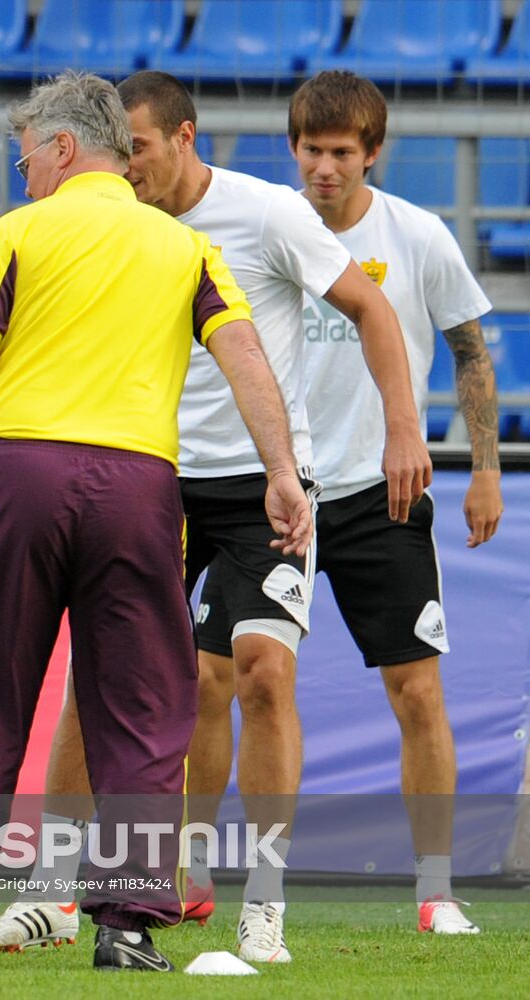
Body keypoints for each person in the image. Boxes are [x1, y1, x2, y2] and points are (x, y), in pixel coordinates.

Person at [0, 70, 431, 965]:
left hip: (266, 485)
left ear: (184, 137)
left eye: (138, 146)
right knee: (93, 682)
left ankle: (264, 900)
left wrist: (402, 430)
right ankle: (56, 895)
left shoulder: (265, 215)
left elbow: (370, 308)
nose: (125, 165)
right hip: (149, 478)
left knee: (262, 673)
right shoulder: (106, 226)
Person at [0, 69, 313, 973]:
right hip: (138, 486)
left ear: (65, 148)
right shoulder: (181, 246)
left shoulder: (16, 233)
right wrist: (281, 470)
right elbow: (243, 356)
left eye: (26, 154)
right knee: (142, 707)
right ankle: (123, 926)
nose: (21, 172)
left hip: (18, 470)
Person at [247, 68, 494, 933]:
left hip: (380, 494)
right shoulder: (260, 231)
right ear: (292, 148)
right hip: (273, 495)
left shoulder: (416, 235)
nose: (323, 168)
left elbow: (468, 351)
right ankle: (248, 891)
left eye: (341, 153)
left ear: (372, 154)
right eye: (310, 151)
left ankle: (434, 890)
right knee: (249, 680)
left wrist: (485, 468)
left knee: (417, 694)